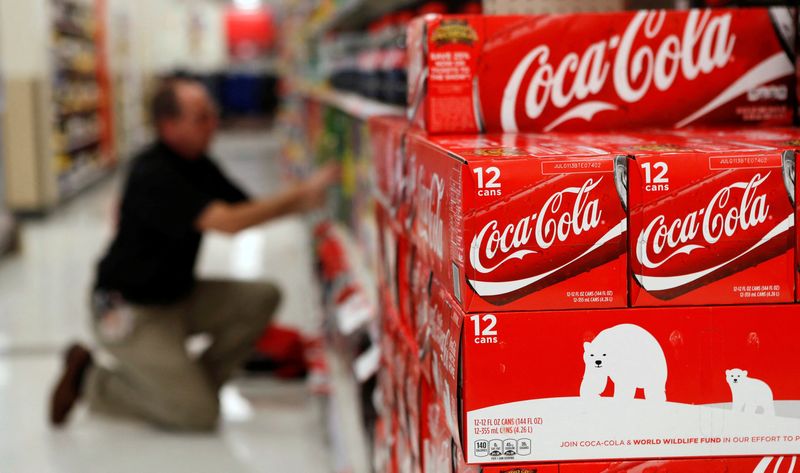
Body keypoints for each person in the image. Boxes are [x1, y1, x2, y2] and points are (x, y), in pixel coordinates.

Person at [49, 77, 338, 431]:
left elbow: (246, 209)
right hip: (129, 310)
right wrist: (300, 198)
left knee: (262, 296)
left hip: (177, 297)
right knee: (198, 416)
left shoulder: (198, 163)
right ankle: (90, 381)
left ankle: (188, 387)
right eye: (201, 117)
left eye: (212, 114)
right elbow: (229, 223)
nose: (213, 124)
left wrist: (298, 200)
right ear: (169, 127)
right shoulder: (154, 173)